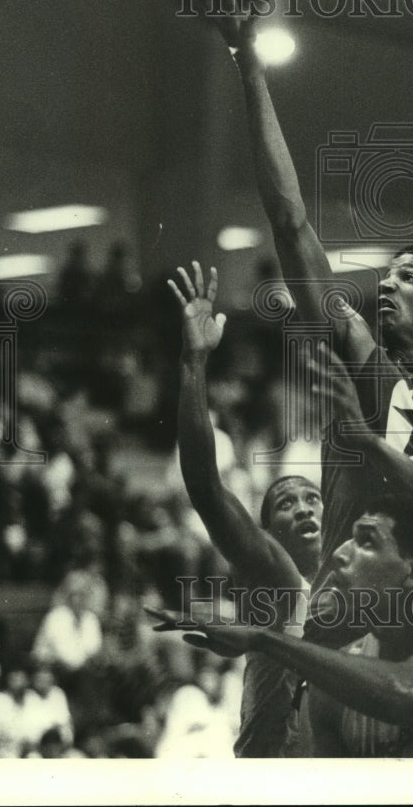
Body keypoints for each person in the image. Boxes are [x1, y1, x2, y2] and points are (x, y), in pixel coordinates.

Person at [211, 5, 413, 644]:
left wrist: (364, 437)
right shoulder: (362, 356)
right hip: (337, 629)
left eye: (408, 277)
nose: (386, 285)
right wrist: (250, 68)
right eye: (386, 274)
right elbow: (289, 220)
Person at [152, 493, 413, 757]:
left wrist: (263, 640)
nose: (340, 552)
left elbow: (406, 690)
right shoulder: (330, 687)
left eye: (365, 541)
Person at [163, 261, 323, 756]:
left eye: (312, 497)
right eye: (285, 502)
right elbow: (207, 490)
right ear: (264, 532)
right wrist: (194, 363)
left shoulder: (351, 583)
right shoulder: (281, 577)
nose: (302, 507)